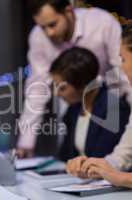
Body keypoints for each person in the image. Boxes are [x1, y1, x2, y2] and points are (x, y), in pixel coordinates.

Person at [16, 0, 126, 158]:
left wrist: (121, 108)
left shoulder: (102, 23)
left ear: (68, 10)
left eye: (52, 24)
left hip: (108, 101)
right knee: (71, 154)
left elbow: (124, 73)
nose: (49, 33)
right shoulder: (38, 38)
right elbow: (37, 89)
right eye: (42, 27)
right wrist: (26, 142)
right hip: (75, 103)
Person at [66, 25, 132, 188]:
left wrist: (122, 178)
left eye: (123, 59)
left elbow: (120, 174)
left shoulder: (113, 106)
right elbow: (123, 156)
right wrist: (93, 166)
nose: (121, 68)